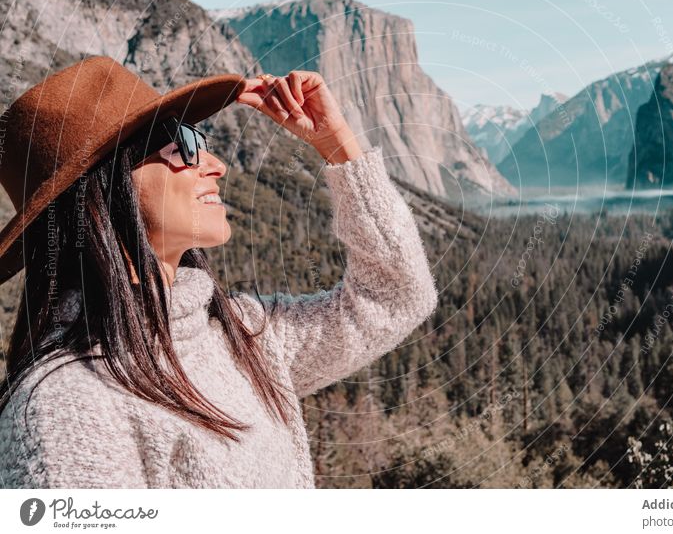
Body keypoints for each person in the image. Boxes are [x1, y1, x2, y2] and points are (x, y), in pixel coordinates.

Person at [0, 56, 438, 488]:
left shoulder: (243, 337)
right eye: (181, 146)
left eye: (201, 140)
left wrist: (337, 144)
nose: (214, 165)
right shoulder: (68, 403)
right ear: (103, 187)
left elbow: (396, 295)